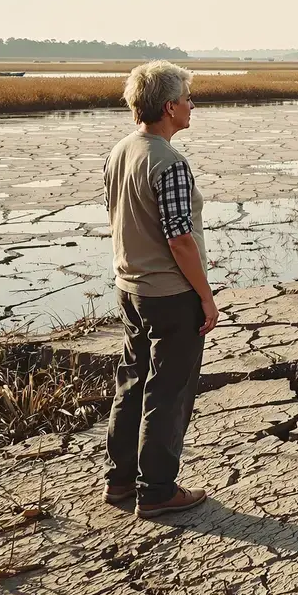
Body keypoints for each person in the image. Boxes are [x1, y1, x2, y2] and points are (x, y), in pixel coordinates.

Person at [102, 60, 217, 519]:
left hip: (130, 287)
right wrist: (205, 296)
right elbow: (179, 238)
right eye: (188, 99)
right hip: (169, 294)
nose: (192, 106)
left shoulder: (120, 151)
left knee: (132, 382)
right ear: (169, 107)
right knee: (168, 392)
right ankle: (156, 491)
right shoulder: (168, 163)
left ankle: (120, 480)